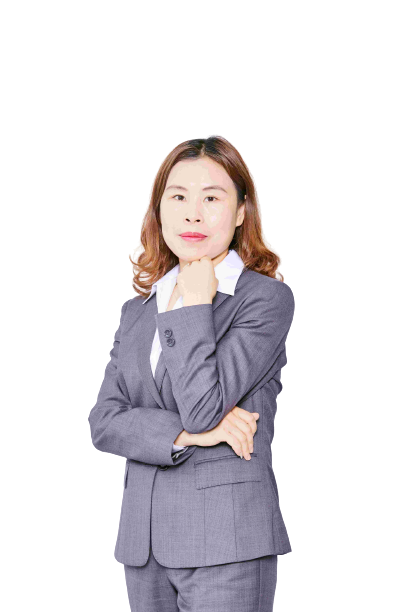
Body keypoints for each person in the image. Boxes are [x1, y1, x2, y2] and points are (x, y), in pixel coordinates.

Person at [88, 135, 295, 611]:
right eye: (178, 197)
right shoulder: (137, 311)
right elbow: (103, 422)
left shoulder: (265, 300)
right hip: (144, 544)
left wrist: (196, 304)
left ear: (241, 211)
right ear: (159, 210)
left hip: (227, 540)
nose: (193, 215)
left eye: (212, 198)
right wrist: (189, 436)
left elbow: (203, 408)